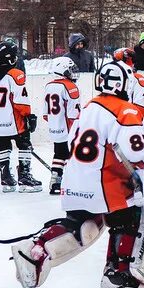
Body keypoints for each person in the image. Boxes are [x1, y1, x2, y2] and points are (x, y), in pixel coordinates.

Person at [6, 60, 144, 288]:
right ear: (124, 84)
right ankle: (120, 276)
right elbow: (137, 153)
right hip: (104, 184)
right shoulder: (127, 111)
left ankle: (37, 249)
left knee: (84, 225)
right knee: (133, 217)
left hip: (73, 180)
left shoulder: (89, 107)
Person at [0, 40, 42, 193]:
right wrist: (28, 115)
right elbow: (20, 101)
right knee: (24, 143)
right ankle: (24, 177)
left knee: (3, 144)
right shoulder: (16, 74)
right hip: (15, 120)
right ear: (10, 57)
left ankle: (5, 177)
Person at [43, 57, 81, 195]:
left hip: (55, 128)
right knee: (72, 155)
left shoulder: (49, 86)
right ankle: (72, 182)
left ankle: (55, 181)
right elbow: (74, 114)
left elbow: (45, 114)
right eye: (69, 70)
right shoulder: (70, 86)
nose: (72, 73)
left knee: (59, 153)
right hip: (68, 128)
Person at [113, 48, 144, 135]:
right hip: (129, 121)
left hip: (116, 119)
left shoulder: (110, 76)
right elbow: (141, 103)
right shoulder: (136, 78)